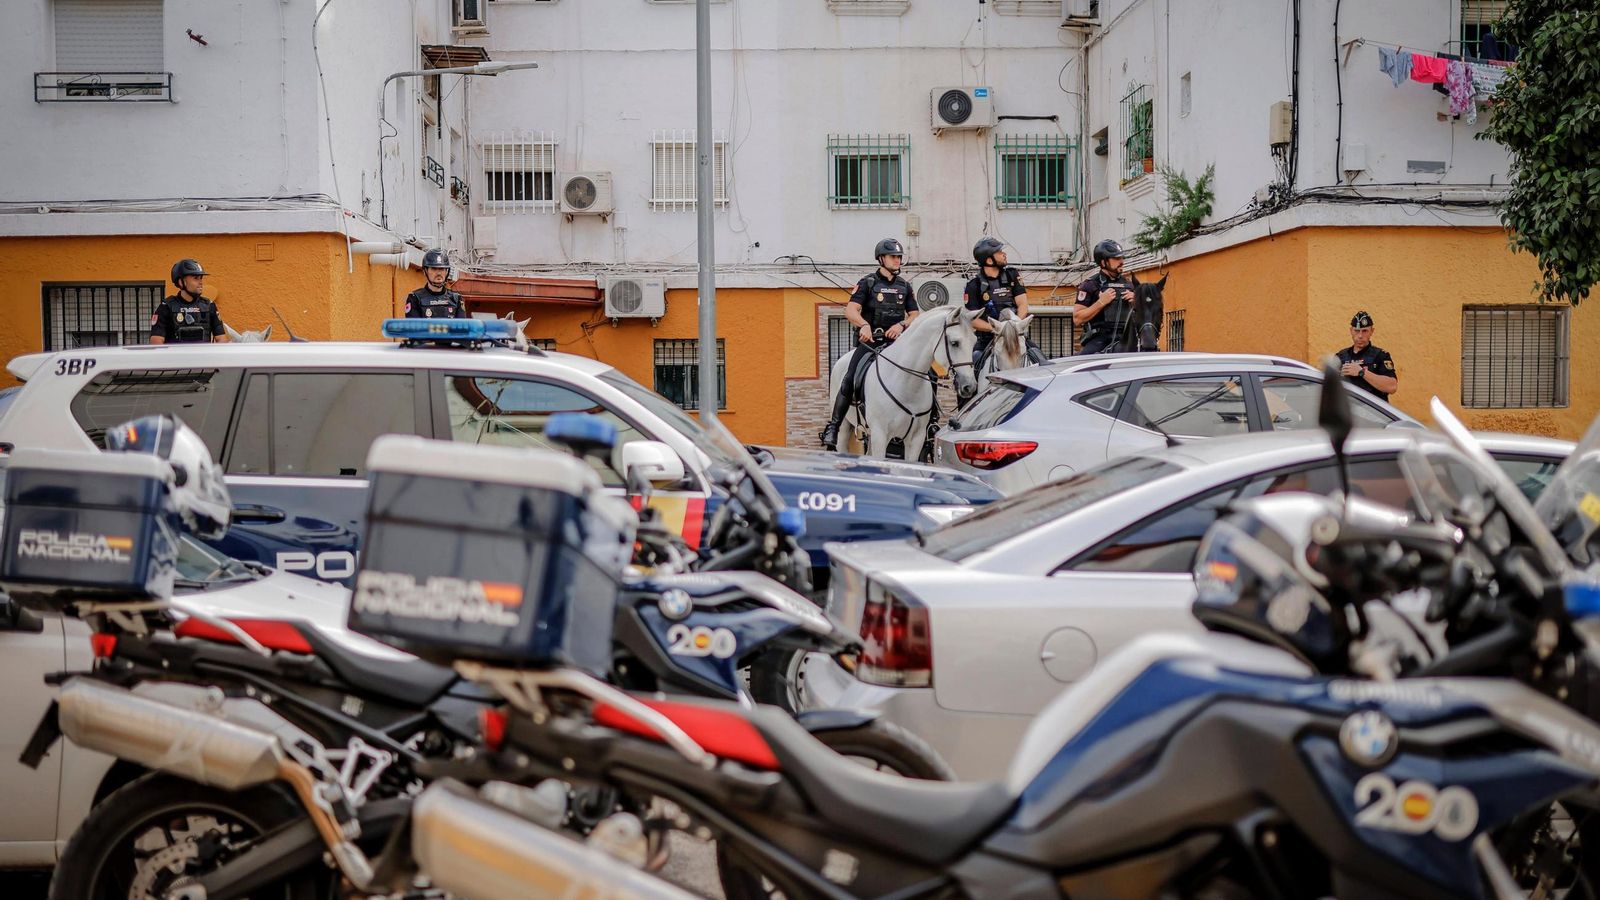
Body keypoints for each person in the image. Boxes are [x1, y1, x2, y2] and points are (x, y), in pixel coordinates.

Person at [818, 238, 917, 451]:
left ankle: (929, 423)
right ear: (881, 259)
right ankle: (833, 427)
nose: (897, 260)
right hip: (871, 344)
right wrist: (863, 325)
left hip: (896, 345)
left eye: (899, 257)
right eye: (893, 257)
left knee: (926, 374)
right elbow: (851, 310)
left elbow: (915, 315)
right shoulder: (868, 283)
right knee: (850, 378)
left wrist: (902, 324)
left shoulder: (905, 286)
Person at [965, 237, 1044, 367]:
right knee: (974, 363)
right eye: (999, 252)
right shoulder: (974, 285)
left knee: (1040, 359)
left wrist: (1013, 327)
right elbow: (972, 319)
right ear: (989, 260)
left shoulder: (1012, 275)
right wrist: (998, 329)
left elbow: (1023, 305)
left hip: (1016, 335)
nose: (1004, 254)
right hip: (988, 338)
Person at [1074, 239, 1137, 355]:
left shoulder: (1129, 284)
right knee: (1083, 363)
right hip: (1100, 339)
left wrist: (1137, 302)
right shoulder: (1090, 285)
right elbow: (1077, 319)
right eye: (1116, 259)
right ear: (1103, 262)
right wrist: (1101, 303)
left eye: (1122, 258)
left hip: (1127, 338)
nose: (1122, 262)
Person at [150, 259, 229, 344]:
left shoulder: (209, 305)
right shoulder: (166, 307)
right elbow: (156, 341)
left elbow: (221, 339)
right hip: (175, 356)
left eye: (201, 278)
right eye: (196, 278)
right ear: (181, 282)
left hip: (203, 356)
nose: (200, 282)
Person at [1336, 310, 1398, 400]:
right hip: (1348, 412)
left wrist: (1362, 372)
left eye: (1365, 331)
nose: (1360, 335)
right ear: (1351, 331)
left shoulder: (1380, 356)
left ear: (1372, 331)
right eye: (1356, 331)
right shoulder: (1341, 357)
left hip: (1372, 412)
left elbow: (1392, 387)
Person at [404, 249, 467, 319]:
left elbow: (462, 327)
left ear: (447, 272)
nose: (439, 273)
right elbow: (414, 327)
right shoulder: (415, 298)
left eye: (442, 269)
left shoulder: (456, 299)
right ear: (425, 271)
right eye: (434, 269)